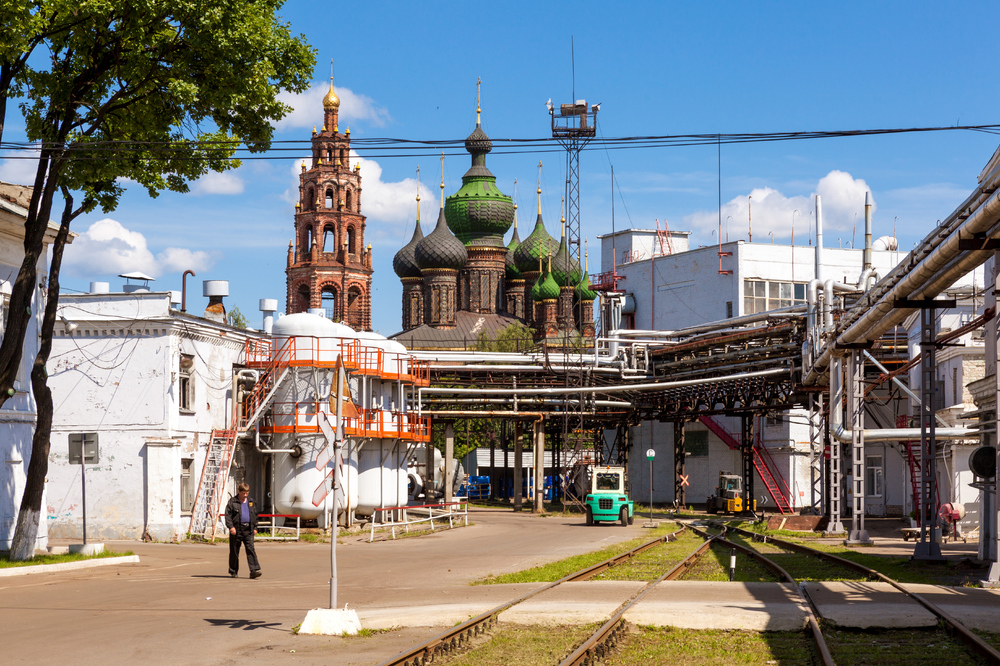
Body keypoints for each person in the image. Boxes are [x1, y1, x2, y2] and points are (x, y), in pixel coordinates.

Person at [225, 482, 261, 579]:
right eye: (243, 493)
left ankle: (254, 571)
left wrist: (255, 527)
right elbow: (228, 516)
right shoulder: (232, 502)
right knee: (234, 551)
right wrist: (231, 527)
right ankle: (233, 571)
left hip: (248, 530)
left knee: (250, 549)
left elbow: (255, 515)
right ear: (239, 492)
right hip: (237, 530)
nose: (245, 495)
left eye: (247, 493)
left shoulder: (251, 502)